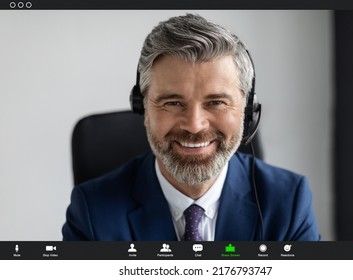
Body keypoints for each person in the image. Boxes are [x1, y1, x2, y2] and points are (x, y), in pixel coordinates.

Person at [62, 14, 320, 241]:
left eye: (216, 102)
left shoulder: (288, 201)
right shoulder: (92, 211)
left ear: (247, 110)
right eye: (173, 102)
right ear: (143, 109)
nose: (195, 125)